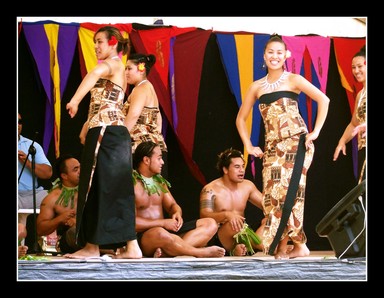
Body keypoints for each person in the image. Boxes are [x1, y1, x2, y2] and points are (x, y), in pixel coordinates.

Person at [236, 35, 330, 259]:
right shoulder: (256, 86)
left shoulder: (294, 79)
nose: (275, 56)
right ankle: (300, 245)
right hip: (271, 148)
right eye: (270, 52)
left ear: (286, 55)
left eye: (279, 52)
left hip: (296, 143)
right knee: (271, 196)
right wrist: (248, 145)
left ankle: (282, 246)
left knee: (288, 193)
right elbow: (240, 119)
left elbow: (324, 100)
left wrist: (315, 132)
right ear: (264, 55)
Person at [65, 25, 142, 259]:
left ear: (113, 43)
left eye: (100, 41)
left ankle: (93, 246)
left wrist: (75, 100)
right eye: (95, 42)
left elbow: (93, 75)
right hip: (110, 131)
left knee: (95, 186)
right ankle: (130, 246)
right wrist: (86, 124)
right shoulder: (116, 67)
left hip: (107, 132)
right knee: (113, 188)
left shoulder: (114, 64)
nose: (96, 46)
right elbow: (104, 101)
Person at [123, 141, 225, 258]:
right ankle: (199, 252)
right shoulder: (132, 184)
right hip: (147, 237)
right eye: (159, 158)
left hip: (167, 233)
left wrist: (177, 213)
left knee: (210, 224)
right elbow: (130, 223)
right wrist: (163, 223)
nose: (162, 162)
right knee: (160, 233)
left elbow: (172, 205)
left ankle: (168, 251)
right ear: (146, 160)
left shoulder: (159, 182)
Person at [200, 148, 265, 256]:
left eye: (242, 166)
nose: (242, 170)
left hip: (245, 232)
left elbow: (267, 206)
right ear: (225, 169)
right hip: (223, 236)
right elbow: (204, 215)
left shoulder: (247, 186)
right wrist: (227, 215)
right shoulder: (210, 189)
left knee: (271, 218)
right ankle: (240, 248)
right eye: (237, 167)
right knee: (232, 224)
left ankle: (252, 245)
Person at [333, 46, 366, 184]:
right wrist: (342, 141)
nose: (356, 71)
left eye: (360, 66)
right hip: (363, 148)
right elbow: (354, 123)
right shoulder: (360, 95)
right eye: (353, 67)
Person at [35, 154, 80, 254]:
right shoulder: (52, 198)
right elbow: (40, 230)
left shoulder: (91, 190)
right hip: (70, 241)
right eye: (75, 169)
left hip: (94, 235)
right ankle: (106, 250)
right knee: (74, 232)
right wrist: (60, 219)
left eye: (81, 167)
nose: (80, 171)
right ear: (64, 176)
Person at [18, 113, 53, 209]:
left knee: (54, 199)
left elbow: (48, 173)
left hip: (33, 194)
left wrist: (28, 163)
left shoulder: (33, 145)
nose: (17, 125)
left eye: (19, 122)